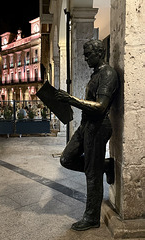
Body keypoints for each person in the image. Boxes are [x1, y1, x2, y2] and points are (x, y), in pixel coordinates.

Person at [56, 40, 119, 231]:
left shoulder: (108, 74)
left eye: (88, 55)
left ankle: (92, 217)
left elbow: (100, 107)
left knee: (92, 174)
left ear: (99, 53)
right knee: (66, 159)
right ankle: (105, 165)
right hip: (86, 125)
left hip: (98, 127)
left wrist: (70, 99)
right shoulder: (96, 74)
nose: (85, 59)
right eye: (84, 55)